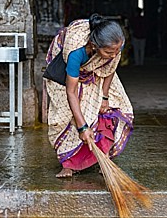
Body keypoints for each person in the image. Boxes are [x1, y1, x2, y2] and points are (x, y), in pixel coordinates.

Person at [45, 14, 133, 179]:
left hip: (96, 73)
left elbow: (109, 69)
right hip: (68, 78)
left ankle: (103, 157)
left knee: (109, 110)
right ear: (94, 46)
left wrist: (105, 97)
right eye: (108, 52)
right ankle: (69, 164)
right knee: (68, 117)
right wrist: (83, 127)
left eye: (117, 51)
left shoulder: (114, 47)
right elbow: (71, 92)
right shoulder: (76, 53)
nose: (114, 55)